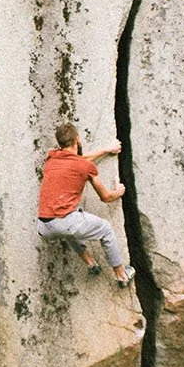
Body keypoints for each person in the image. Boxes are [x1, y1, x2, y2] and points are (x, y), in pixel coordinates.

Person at [37, 123, 133, 286]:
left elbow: (78, 161)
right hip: (65, 223)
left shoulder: (51, 159)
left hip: (44, 227)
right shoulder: (85, 166)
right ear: (77, 139)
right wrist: (119, 192)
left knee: (70, 226)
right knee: (105, 229)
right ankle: (121, 275)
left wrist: (106, 150)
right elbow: (106, 197)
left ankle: (90, 263)